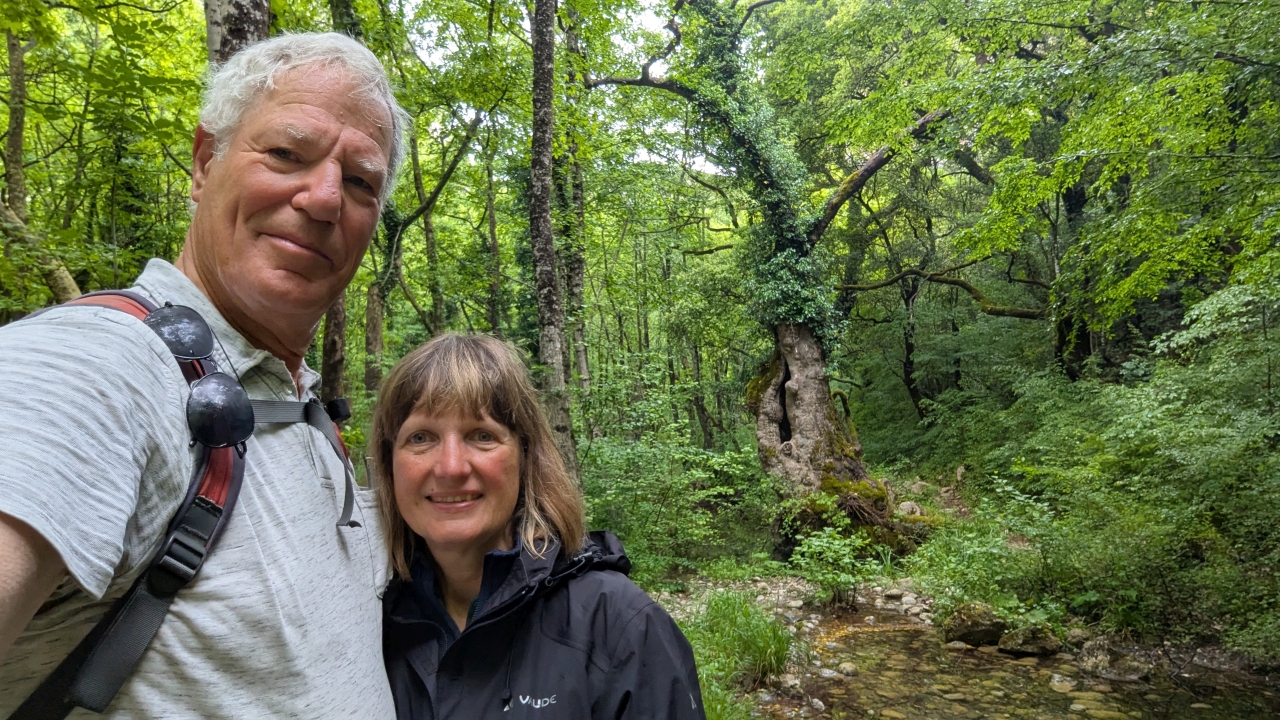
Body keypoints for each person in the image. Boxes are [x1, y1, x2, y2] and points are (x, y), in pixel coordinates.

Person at [0, 32, 410, 717]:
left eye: (360, 181)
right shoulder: (100, 367)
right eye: (287, 154)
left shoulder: (298, 403)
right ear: (203, 161)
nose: (324, 199)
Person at [371, 333, 707, 719]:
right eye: (420, 437)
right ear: (389, 465)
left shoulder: (620, 626)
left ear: (526, 456)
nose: (451, 467)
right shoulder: (370, 623)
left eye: (482, 435)